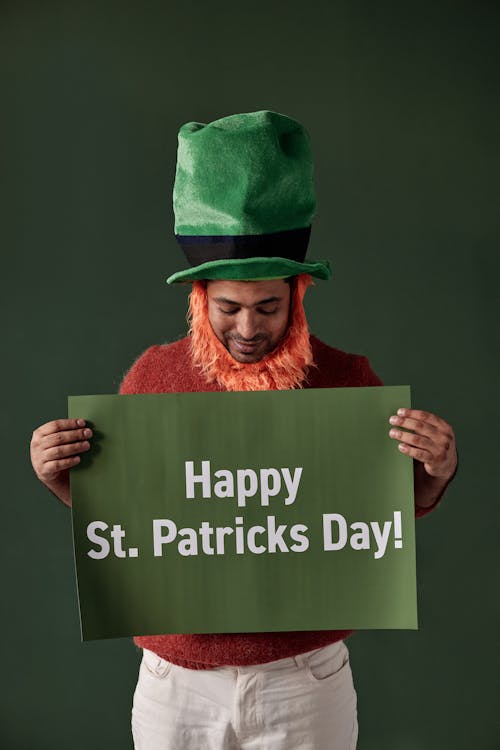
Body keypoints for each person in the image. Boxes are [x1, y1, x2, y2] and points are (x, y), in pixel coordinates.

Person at [30, 110, 457, 750]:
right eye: (229, 307)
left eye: (269, 307)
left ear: (299, 295)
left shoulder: (347, 380)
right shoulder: (153, 376)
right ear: (200, 297)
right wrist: (59, 476)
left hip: (304, 678)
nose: (250, 329)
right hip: (176, 681)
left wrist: (433, 473)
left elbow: (374, 520)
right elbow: (134, 525)